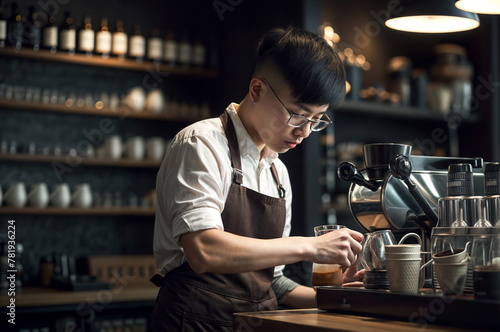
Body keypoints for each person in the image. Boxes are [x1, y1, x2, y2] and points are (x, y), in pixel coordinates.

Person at [150, 26, 364, 331]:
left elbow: (271, 283)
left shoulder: (278, 173)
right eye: (298, 114)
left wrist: (336, 297)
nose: (304, 131)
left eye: (317, 120)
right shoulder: (201, 144)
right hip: (194, 322)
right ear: (257, 90)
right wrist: (310, 247)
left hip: (257, 323)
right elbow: (203, 250)